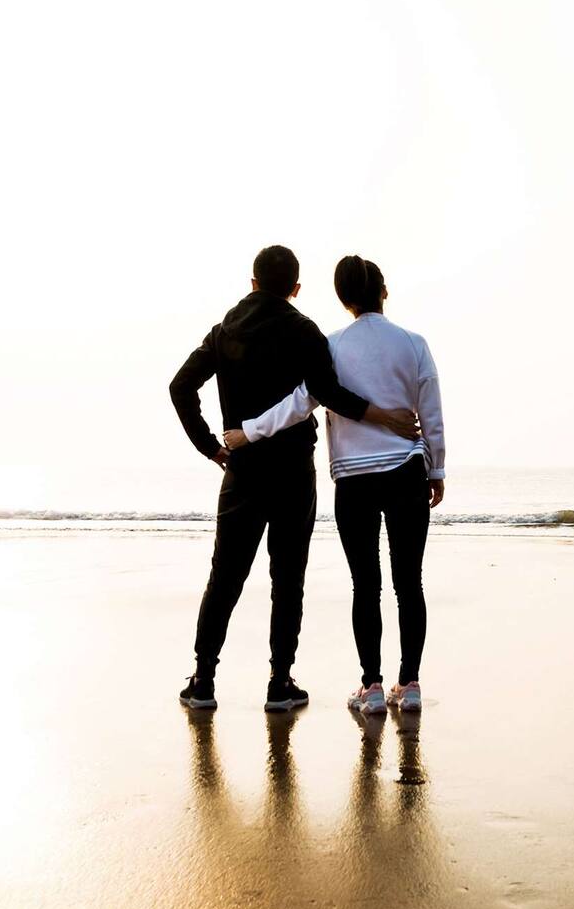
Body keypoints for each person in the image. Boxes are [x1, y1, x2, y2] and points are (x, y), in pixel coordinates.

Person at [169, 246, 420, 712]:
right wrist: (382, 416)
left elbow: (180, 386)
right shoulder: (304, 331)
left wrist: (211, 446)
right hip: (291, 472)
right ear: (296, 289)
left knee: (225, 575)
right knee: (288, 578)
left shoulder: (224, 333)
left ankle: (203, 680)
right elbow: (326, 393)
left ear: (253, 283)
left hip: (241, 469)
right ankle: (279, 683)